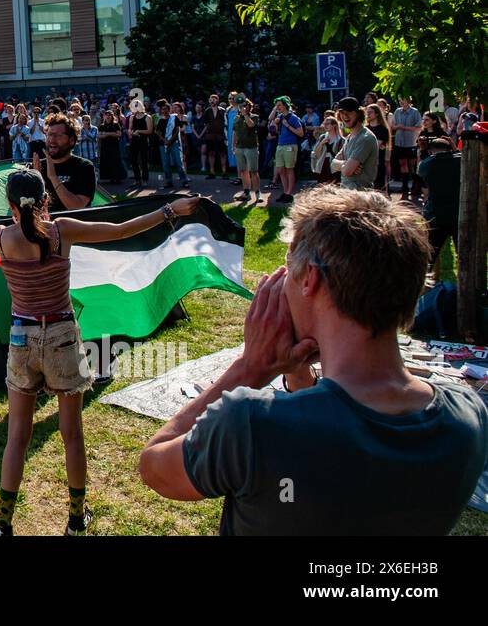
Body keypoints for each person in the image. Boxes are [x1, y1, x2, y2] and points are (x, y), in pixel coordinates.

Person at [139, 185, 488, 535]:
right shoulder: (467, 416)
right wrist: (299, 376)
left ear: (311, 279)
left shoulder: (250, 424)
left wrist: (249, 368)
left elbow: (155, 467)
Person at [0, 169, 200, 536]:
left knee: (17, 436)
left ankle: (3, 522)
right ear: (46, 200)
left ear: (10, 205)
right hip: (63, 336)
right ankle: (76, 520)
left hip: (21, 340)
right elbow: (120, 229)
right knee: (71, 434)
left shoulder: (0, 237)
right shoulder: (62, 230)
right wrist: (170, 211)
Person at [418, 138, 460, 279]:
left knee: (429, 257)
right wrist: (455, 149)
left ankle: (426, 288)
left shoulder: (426, 164)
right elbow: (461, 156)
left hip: (435, 214)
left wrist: (423, 151)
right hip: (458, 213)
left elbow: (422, 174)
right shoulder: (460, 161)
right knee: (464, 256)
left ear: (431, 151)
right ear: (450, 149)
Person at [40, 113, 96, 212]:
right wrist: (35, 179)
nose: (52, 140)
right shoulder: (38, 167)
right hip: (45, 226)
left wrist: (53, 177)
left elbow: (77, 207)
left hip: (73, 226)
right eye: (49, 134)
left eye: (58, 136)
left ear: (71, 140)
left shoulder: (84, 167)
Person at [332, 97, 379, 191]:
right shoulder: (350, 137)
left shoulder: (365, 138)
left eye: (349, 112)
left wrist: (343, 166)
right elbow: (333, 164)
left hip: (361, 197)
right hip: (347, 194)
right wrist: (345, 164)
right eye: (342, 112)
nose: (345, 116)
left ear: (358, 114)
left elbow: (347, 171)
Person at [269, 96, 304, 204]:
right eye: (276, 105)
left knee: (289, 169)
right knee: (280, 169)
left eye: (279, 105)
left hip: (290, 146)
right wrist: (275, 118)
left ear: (285, 105)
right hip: (280, 145)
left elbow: (301, 133)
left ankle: (289, 194)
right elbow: (270, 119)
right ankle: (285, 192)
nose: (278, 107)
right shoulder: (279, 116)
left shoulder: (293, 117)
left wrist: (288, 126)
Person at [390, 95, 421, 201]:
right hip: (400, 141)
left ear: (408, 101)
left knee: (412, 165)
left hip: (411, 142)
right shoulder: (397, 111)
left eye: (403, 100)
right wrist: (397, 127)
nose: (401, 102)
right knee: (403, 164)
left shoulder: (415, 112)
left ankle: (415, 185)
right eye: (399, 100)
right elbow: (393, 126)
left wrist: (404, 127)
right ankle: (404, 186)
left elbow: (418, 127)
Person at [230, 98, 261, 203]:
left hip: (251, 147)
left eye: (245, 105)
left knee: (254, 171)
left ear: (249, 107)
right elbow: (234, 133)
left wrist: (245, 114)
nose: (243, 107)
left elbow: (251, 125)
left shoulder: (254, 117)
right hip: (239, 148)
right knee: (243, 171)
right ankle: (246, 192)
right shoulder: (236, 118)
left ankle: (257, 193)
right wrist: (232, 147)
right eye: (241, 106)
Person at [157, 102, 191, 190]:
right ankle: (169, 181)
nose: (164, 111)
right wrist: (165, 140)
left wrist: (170, 140)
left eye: (166, 109)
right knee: (165, 164)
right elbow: (158, 133)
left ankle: (184, 181)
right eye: (163, 109)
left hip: (174, 143)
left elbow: (177, 130)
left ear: (169, 110)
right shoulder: (160, 120)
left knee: (179, 163)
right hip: (163, 144)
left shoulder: (174, 118)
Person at [364, 103, 392, 195]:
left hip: (378, 162)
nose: (367, 114)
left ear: (377, 114)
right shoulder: (365, 129)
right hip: (365, 162)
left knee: (378, 189)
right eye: (366, 112)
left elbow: (376, 145)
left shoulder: (383, 129)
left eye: (370, 112)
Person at [309, 115, 344, 186]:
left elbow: (342, 155)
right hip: (322, 164)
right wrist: (322, 143)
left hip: (334, 165)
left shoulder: (340, 139)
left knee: (335, 185)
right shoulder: (322, 137)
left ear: (334, 125)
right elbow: (316, 152)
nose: (325, 125)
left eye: (327, 124)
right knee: (321, 186)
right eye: (324, 123)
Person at [127, 99, 153, 190]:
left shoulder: (147, 117)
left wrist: (139, 131)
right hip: (134, 141)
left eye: (137, 106)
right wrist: (131, 133)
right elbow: (129, 129)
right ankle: (137, 179)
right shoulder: (131, 117)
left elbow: (150, 131)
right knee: (133, 160)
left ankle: (145, 179)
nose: (136, 108)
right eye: (134, 106)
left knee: (144, 160)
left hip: (143, 141)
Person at [200, 94, 227, 179]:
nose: (212, 101)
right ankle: (212, 173)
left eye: (214, 99)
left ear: (217, 100)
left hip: (220, 135)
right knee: (211, 153)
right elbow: (205, 123)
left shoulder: (222, 110)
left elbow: (226, 122)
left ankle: (224, 173)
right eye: (211, 99)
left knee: (222, 153)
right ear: (209, 101)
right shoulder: (207, 111)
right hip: (210, 135)